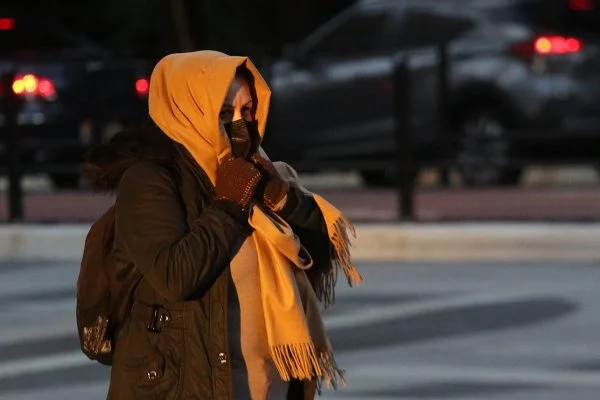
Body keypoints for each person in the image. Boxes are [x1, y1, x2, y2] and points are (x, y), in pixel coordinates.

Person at [82, 50, 362, 400]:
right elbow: (177, 276)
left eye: (248, 111)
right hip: (184, 387)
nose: (240, 126)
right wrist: (230, 204)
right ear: (189, 111)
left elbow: (321, 250)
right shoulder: (150, 181)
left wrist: (281, 198)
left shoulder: (261, 172)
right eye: (225, 113)